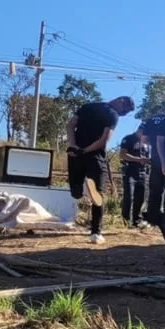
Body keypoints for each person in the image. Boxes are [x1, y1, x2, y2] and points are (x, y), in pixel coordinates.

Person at [66, 95, 136, 244]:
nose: (123, 115)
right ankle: (96, 234)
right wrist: (84, 151)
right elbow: (104, 140)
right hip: (95, 157)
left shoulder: (87, 106)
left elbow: (70, 125)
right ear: (120, 101)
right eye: (125, 111)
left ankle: (95, 228)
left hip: (75, 155)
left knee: (80, 193)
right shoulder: (112, 114)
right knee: (97, 195)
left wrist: (74, 146)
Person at [118, 125, 151, 227]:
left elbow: (147, 158)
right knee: (129, 196)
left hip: (143, 173)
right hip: (130, 171)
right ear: (139, 130)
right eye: (144, 133)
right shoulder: (128, 139)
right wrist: (139, 160)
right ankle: (126, 220)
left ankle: (137, 220)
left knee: (141, 197)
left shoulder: (147, 144)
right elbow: (123, 154)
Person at [142, 108, 165, 224]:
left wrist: (154, 145)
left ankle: (153, 218)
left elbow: (144, 140)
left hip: (155, 158)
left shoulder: (151, 120)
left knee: (155, 190)